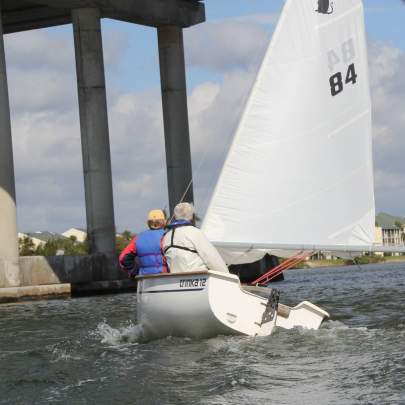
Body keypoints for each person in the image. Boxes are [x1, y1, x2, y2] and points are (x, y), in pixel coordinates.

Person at [162, 202, 229, 273]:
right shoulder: (195, 232)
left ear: (175, 216)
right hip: (196, 277)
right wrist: (227, 274)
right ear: (191, 216)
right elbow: (212, 257)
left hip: (174, 278)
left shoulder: (167, 236)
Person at [119, 209, 168, 277]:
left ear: (148, 223)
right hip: (165, 276)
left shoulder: (138, 238)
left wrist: (134, 272)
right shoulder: (167, 236)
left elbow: (122, 258)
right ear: (164, 222)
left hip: (144, 278)